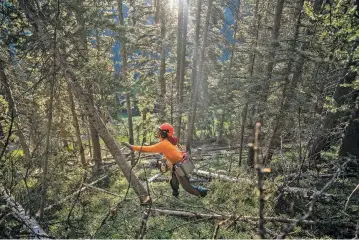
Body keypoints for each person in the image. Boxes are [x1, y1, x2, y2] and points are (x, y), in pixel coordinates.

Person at [122, 123, 208, 198]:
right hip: (178, 164)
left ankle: (202, 193)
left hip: (180, 165)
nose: (158, 133)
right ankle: (175, 193)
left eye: (160, 131)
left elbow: (147, 149)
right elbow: (172, 152)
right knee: (174, 180)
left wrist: (132, 147)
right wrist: (166, 159)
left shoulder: (164, 143)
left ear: (164, 133)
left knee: (187, 188)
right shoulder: (169, 141)